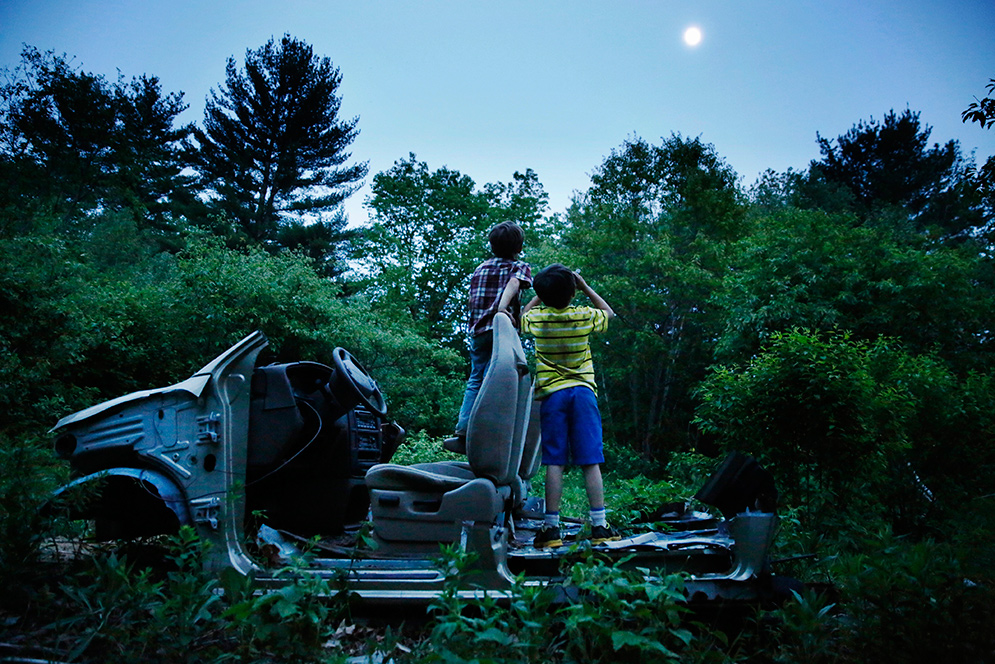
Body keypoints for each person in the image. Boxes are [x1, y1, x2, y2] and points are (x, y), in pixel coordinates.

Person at [521, 264, 620, 548]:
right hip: (583, 393)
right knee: (590, 460)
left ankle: (551, 529)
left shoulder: (539, 318)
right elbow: (609, 313)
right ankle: (599, 525)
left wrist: (538, 296)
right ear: (572, 292)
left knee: (554, 460)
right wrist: (585, 286)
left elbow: (520, 318)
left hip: (553, 395)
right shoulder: (583, 315)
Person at [445, 221, 532, 453]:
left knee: (476, 378)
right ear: (519, 247)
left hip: (478, 332)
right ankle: (499, 434)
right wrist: (502, 309)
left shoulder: (480, 269)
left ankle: (463, 430)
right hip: (502, 331)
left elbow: (473, 301)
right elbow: (514, 283)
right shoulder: (519, 267)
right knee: (508, 381)